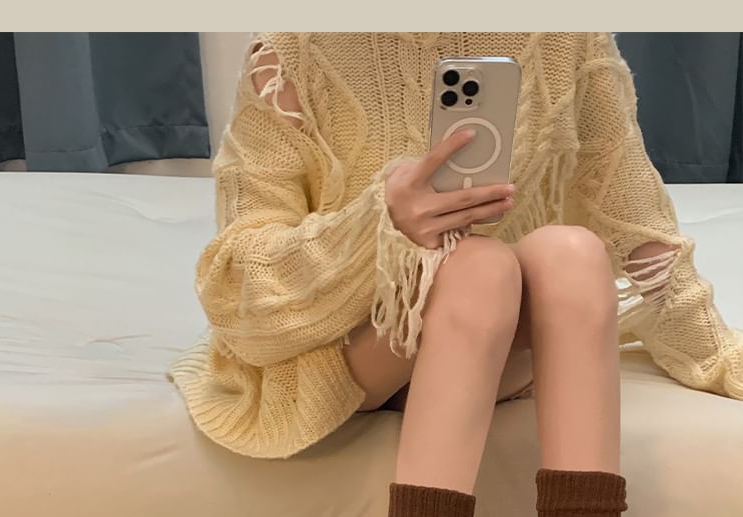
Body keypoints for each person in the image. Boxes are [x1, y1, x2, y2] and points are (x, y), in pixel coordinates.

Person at [169, 32, 743, 517]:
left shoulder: (568, 38)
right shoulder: (293, 51)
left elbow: (636, 228)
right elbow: (239, 285)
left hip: (495, 336)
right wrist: (379, 223)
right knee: (473, 265)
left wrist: (719, 355)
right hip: (355, 348)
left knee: (572, 252)